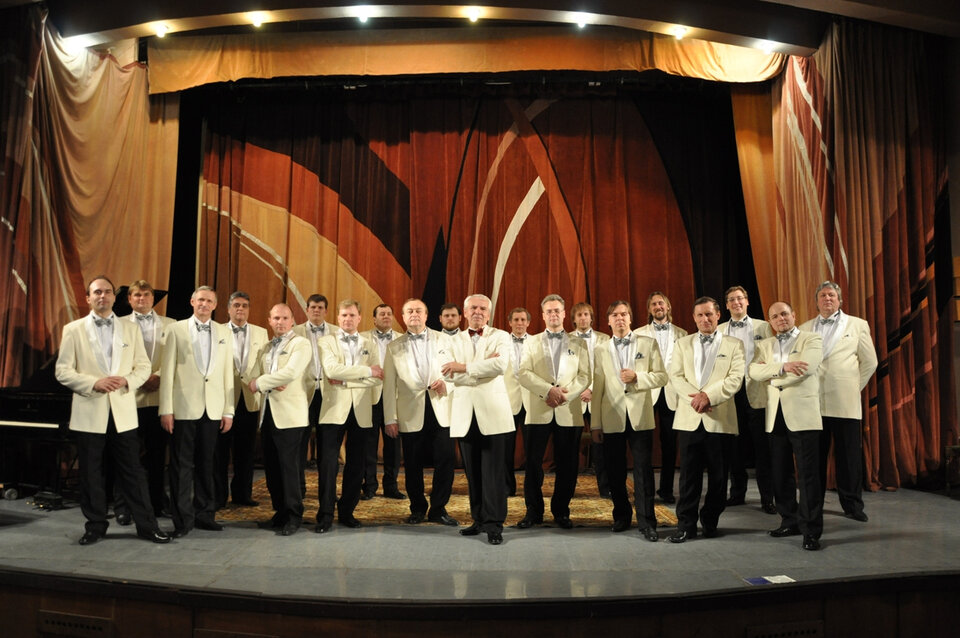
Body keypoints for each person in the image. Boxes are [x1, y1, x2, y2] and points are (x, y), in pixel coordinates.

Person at [55, 276, 170, 545]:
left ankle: (147, 526)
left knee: (133, 471)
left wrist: (127, 380)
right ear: (88, 298)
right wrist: (93, 383)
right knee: (91, 473)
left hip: (123, 412)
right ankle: (95, 526)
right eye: (97, 292)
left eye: (107, 292)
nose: (102, 296)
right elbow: (62, 371)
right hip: (89, 410)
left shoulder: (130, 329)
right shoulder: (73, 329)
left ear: (114, 297)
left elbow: (143, 366)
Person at [667, 296, 744, 543]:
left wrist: (708, 396)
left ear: (718, 315)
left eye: (709, 314)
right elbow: (676, 377)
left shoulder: (735, 344)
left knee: (719, 478)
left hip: (719, 418)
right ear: (694, 318)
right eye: (700, 315)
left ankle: (710, 521)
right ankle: (685, 526)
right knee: (688, 477)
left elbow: (735, 379)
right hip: (690, 417)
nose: (705, 319)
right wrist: (697, 399)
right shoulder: (682, 344)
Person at [799, 281, 878, 523]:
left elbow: (870, 362)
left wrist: (852, 388)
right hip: (813, 403)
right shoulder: (804, 328)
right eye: (822, 295)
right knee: (814, 459)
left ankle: (852, 506)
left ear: (840, 300)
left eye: (831, 295)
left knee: (848, 458)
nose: (827, 298)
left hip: (845, 403)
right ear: (816, 301)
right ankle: (814, 505)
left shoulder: (858, 325)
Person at [159, 286, 234, 537]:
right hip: (182, 408)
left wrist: (228, 410)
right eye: (200, 299)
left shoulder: (224, 332)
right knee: (181, 467)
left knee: (208, 464)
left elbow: (227, 373)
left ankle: (205, 514)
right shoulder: (175, 329)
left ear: (215, 305)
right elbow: (167, 371)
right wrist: (166, 409)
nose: (204, 304)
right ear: (192, 301)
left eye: (209, 301)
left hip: (213, 410)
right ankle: (182, 520)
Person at [591, 300, 668, 541]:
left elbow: (662, 377)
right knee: (615, 471)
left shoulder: (648, 343)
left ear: (631, 318)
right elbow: (598, 387)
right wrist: (595, 424)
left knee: (643, 471)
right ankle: (621, 516)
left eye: (624, 314)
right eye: (615, 315)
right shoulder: (600, 349)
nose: (620, 318)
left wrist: (638, 377)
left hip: (640, 417)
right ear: (608, 321)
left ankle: (647, 522)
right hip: (611, 417)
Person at [751, 301, 824, 551]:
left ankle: (811, 530)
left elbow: (806, 369)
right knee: (780, 473)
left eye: (784, 314)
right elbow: (753, 372)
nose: (780, 319)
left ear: (794, 315)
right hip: (775, 415)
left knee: (808, 475)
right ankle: (789, 520)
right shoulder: (764, 345)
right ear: (770, 322)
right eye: (775, 316)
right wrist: (782, 367)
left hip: (803, 414)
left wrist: (771, 376)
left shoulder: (811, 339)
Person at [442, 294, 515, 545]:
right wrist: (483, 367)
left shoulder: (501, 336)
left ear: (489, 313)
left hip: (493, 412)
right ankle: (479, 519)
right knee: (473, 473)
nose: (478, 312)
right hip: (464, 414)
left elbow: (500, 366)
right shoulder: (451, 340)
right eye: (473, 307)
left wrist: (462, 367)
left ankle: (494, 525)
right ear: (464, 312)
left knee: (493, 473)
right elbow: (446, 374)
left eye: (483, 308)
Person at [382, 299, 458, 526]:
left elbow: (458, 372)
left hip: (441, 408)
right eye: (409, 311)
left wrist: (447, 384)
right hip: (409, 412)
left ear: (426, 315)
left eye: (418, 310)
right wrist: (390, 418)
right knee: (412, 463)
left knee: (445, 460)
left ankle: (439, 509)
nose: (414, 314)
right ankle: (417, 508)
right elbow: (389, 385)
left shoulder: (445, 339)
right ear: (403, 317)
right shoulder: (393, 347)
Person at [516, 294, 590, 529]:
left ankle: (561, 512)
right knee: (533, 464)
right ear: (543, 315)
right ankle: (533, 512)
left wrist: (565, 395)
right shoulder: (531, 342)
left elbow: (585, 376)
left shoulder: (579, 344)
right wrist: (548, 391)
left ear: (564, 314)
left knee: (568, 465)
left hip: (568, 410)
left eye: (557, 310)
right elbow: (523, 373)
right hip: (539, 409)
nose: (553, 314)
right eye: (549, 311)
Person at [314, 300, 383, 532]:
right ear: (338, 317)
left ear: (359, 318)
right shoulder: (326, 341)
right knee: (328, 465)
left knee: (356, 465)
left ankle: (347, 512)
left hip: (361, 410)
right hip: (333, 410)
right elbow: (331, 370)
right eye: (344, 315)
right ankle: (325, 515)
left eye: (352, 315)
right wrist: (366, 372)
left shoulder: (370, 343)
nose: (347, 319)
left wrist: (344, 381)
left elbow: (378, 379)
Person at [248, 304, 312, 536]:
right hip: (267, 414)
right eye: (276, 318)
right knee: (273, 469)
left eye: (285, 318)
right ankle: (280, 512)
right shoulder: (267, 347)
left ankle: (294, 515)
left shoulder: (301, 344)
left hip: (290, 417)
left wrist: (262, 382)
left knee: (289, 469)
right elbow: (256, 374)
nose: (280, 322)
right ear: (269, 321)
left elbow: (291, 373)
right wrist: (270, 381)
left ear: (292, 321)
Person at [717, 286, 776, 514]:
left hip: (757, 391)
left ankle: (767, 498)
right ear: (727, 305)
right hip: (730, 393)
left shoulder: (763, 326)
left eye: (740, 298)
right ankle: (737, 493)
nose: (736, 302)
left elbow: (772, 356)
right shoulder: (719, 329)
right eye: (731, 299)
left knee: (763, 447)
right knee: (734, 447)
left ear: (747, 301)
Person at [119, 279, 175, 519]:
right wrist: (140, 378)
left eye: (146, 295)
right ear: (129, 299)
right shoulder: (118, 324)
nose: (141, 299)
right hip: (129, 397)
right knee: (126, 457)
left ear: (153, 298)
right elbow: (115, 359)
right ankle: (124, 507)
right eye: (137, 295)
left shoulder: (171, 325)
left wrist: (158, 376)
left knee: (157, 456)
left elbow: (174, 358)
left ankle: (156, 503)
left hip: (159, 399)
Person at [215, 291, 268, 509]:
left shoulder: (261, 332)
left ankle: (242, 494)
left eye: (244, 305)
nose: (240, 309)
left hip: (249, 397)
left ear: (249, 309)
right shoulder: (216, 330)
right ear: (228, 309)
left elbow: (265, 363)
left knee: (246, 451)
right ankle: (218, 496)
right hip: (222, 399)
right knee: (219, 451)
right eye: (236, 305)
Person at [634, 292, 687, 504]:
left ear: (668, 306)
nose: (658, 306)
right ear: (649, 309)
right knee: (643, 444)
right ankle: (644, 490)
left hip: (672, 393)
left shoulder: (682, 334)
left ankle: (666, 489)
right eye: (654, 304)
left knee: (670, 444)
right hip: (647, 392)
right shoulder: (638, 334)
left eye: (661, 303)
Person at [292, 294, 337, 499]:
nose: (316, 310)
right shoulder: (295, 332)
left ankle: (327, 494)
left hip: (330, 395)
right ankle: (298, 490)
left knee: (328, 448)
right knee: (299, 445)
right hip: (303, 395)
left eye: (320, 307)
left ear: (326, 311)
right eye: (313, 307)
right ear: (307, 310)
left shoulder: (337, 332)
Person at [361, 303, 405, 501]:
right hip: (369, 397)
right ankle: (369, 486)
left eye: (389, 313)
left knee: (393, 445)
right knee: (368, 444)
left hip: (394, 398)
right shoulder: (362, 338)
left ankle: (391, 486)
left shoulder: (402, 339)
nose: (386, 316)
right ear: (374, 319)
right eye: (382, 314)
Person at [569, 302, 611, 497]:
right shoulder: (566, 339)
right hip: (574, 399)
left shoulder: (605, 339)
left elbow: (606, 369)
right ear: (574, 319)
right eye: (579, 315)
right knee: (570, 445)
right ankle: (568, 490)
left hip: (598, 397)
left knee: (601, 446)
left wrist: (592, 390)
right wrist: (579, 390)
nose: (583, 318)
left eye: (586, 314)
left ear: (591, 317)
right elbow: (565, 371)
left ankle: (606, 488)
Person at [502, 306, 531, 497]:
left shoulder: (537, 342)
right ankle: (507, 487)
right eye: (516, 320)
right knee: (506, 448)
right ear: (510, 322)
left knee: (532, 449)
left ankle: (531, 489)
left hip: (531, 402)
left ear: (528, 322)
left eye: (523, 320)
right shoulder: (501, 342)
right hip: (507, 401)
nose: (519, 323)